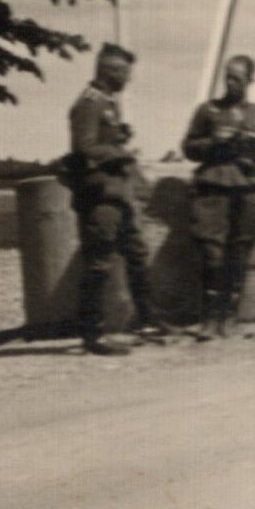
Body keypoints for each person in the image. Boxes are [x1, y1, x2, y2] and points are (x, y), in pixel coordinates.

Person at [63, 43, 163, 355]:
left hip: (117, 195)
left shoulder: (108, 102)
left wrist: (119, 137)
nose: (128, 79)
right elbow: (85, 148)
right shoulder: (90, 103)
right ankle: (91, 335)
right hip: (100, 197)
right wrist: (119, 151)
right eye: (124, 73)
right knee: (99, 264)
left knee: (136, 254)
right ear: (110, 71)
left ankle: (148, 322)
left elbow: (102, 142)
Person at [182, 54, 255, 339]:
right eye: (227, 77)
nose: (231, 83)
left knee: (239, 255)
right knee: (211, 254)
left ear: (250, 81)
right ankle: (209, 318)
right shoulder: (208, 111)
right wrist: (214, 143)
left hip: (248, 190)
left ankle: (230, 316)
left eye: (237, 78)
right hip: (213, 189)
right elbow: (188, 148)